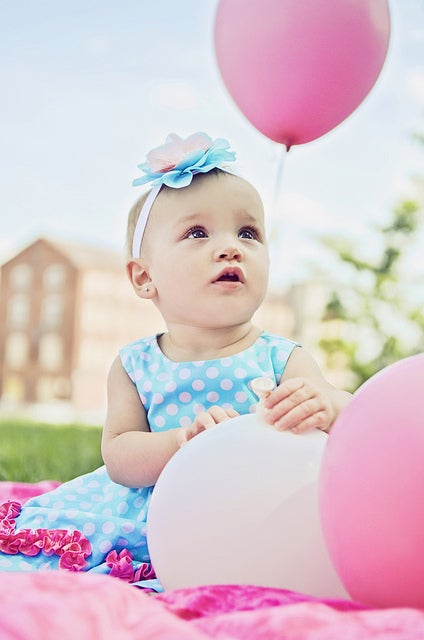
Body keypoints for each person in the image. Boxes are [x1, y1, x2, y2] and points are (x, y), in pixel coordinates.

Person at [0, 132, 351, 589]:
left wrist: (327, 403)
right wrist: (182, 443)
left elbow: (353, 423)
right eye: (197, 233)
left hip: (259, 509)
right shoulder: (136, 364)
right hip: (155, 512)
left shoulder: (282, 358)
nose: (231, 248)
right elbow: (120, 455)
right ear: (145, 278)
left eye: (248, 233)